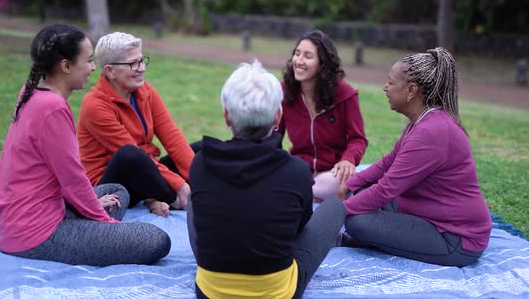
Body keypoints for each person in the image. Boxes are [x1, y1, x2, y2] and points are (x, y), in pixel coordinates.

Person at [0, 23, 171, 266]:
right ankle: (89, 232)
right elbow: (73, 178)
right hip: (35, 234)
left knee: (117, 191)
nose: (92, 68)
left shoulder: (32, 92)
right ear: (65, 66)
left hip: (20, 220)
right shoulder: (52, 108)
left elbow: (68, 180)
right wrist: (105, 224)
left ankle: (88, 229)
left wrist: (92, 208)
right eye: (88, 61)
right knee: (156, 240)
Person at [187, 60, 347, 298]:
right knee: (333, 207)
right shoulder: (297, 171)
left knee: (194, 200)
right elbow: (299, 226)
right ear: (277, 117)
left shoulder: (200, 163)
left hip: (210, 291)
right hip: (277, 292)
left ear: (226, 116)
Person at [337, 47, 492, 267]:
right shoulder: (422, 121)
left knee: (356, 221)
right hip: (427, 215)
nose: (385, 87)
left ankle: (368, 239)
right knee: (361, 195)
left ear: (411, 90)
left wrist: (336, 211)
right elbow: (388, 163)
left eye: (390, 83)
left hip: (455, 238)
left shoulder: (432, 131)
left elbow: (386, 188)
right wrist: (350, 184)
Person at [77, 32, 193, 216]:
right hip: (110, 184)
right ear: (110, 71)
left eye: (142, 60)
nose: (142, 68)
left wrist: (196, 179)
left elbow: (172, 137)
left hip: (146, 169)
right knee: (130, 155)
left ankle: (161, 196)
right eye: (133, 63)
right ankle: (172, 200)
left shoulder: (145, 91)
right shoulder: (95, 105)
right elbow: (132, 155)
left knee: (200, 150)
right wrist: (179, 187)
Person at [279, 30, 368, 201]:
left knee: (337, 182)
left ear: (322, 63)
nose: (299, 61)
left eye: (308, 56)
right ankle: (314, 197)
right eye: (297, 54)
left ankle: (300, 196)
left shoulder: (345, 95)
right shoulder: (285, 91)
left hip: (332, 173)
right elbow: (276, 134)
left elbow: (358, 139)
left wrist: (348, 160)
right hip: (299, 170)